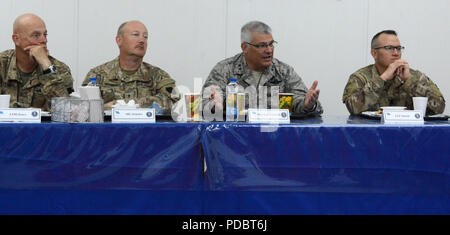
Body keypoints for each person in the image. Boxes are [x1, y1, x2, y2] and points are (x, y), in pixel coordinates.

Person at [202, 21, 323, 118]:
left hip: (275, 138)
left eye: (271, 44)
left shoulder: (283, 71)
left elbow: (304, 102)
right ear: (245, 47)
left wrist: (308, 104)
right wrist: (212, 106)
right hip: (236, 139)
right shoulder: (225, 69)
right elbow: (203, 104)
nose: (269, 50)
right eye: (262, 45)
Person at [83, 20, 179, 113]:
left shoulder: (158, 75)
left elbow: (175, 101)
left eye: (145, 37)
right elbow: (84, 108)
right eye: (135, 35)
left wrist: (124, 104)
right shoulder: (97, 75)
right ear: (119, 40)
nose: (142, 40)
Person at [342, 30, 445, 115]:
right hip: (371, 134)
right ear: (374, 53)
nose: (396, 53)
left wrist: (410, 81)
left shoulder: (416, 77)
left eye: (398, 48)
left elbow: (439, 108)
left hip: (410, 134)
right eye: (389, 48)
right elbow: (353, 109)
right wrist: (382, 79)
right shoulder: (360, 78)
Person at [0, 13, 74, 111]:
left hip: (44, 127)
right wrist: (34, 110)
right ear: (16, 39)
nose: (44, 40)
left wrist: (45, 64)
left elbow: (65, 109)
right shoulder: (2, 63)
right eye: (36, 35)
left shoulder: (59, 68)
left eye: (45, 34)